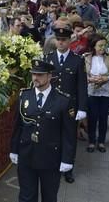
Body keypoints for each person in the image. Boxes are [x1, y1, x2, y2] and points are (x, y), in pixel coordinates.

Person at [10, 59, 75, 202]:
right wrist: (14, 149)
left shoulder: (63, 100)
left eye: (40, 75)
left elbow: (68, 134)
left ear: (49, 76)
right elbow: (17, 126)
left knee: (49, 197)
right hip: (27, 155)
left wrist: (67, 159)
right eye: (33, 74)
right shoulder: (24, 96)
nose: (35, 78)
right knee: (26, 197)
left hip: (50, 158)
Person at [44, 26, 87, 183]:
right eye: (59, 40)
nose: (61, 43)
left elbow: (82, 86)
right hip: (52, 105)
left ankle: (68, 167)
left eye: (64, 40)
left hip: (70, 106)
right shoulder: (48, 58)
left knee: (69, 137)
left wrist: (82, 108)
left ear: (70, 41)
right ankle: (52, 164)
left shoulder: (77, 60)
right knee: (51, 136)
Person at [85, 37, 109, 153]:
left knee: (103, 117)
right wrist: (90, 79)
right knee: (92, 117)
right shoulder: (87, 58)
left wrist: (106, 78)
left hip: (105, 93)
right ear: (94, 46)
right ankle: (92, 141)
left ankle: (102, 141)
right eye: (100, 45)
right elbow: (83, 76)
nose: (102, 48)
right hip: (91, 92)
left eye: (104, 45)